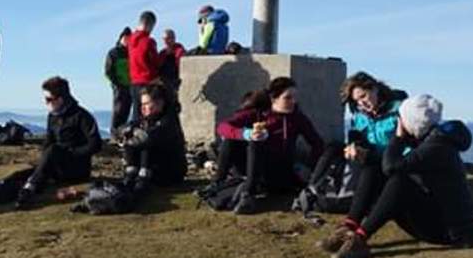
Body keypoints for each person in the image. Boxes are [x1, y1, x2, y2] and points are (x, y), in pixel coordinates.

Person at [327, 94, 473, 258]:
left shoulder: (436, 147)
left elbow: (391, 167)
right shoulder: (430, 140)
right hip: (437, 217)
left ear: (412, 121)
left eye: (401, 118)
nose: (398, 123)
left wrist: (399, 138)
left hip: (447, 231)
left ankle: (359, 239)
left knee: (400, 182)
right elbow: (387, 165)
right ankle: (349, 227)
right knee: (374, 169)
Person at [211, 77, 326, 214]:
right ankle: (217, 184)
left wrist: (311, 169)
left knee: (257, 142)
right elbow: (223, 127)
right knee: (232, 140)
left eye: (295, 97)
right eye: (288, 98)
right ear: (273, 99)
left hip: (279, 171)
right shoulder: (258, 114)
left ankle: (248, 194)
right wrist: (246, 134)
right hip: (253, 166)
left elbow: (317, 143)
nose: (293, 102)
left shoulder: (297, 118)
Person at [311, 72, 407, 234]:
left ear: (375, 89)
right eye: (357, 100)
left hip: (397, 162)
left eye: (363, 96)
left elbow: (408, 143)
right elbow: (356, 136)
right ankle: (315, 192)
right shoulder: (359, 115)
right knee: (336, 149)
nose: (361, 103)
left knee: (371, 167)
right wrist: (354, 147)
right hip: (372, 161)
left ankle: (353, 221)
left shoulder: (400, 110)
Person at [15, 77, 103, 209]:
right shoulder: (52, 116)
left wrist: (71, 153)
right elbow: (48, 140)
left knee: (53, 150)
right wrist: (44, 160)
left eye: (48, 99)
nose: (46, 103)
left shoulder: (82, 116)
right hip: (58, 165)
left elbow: (96, 144)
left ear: (60, 99)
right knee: (25, 174)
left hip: (77, 170)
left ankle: (29, 191)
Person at [119, 83, 187, 192]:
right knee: (135, 139)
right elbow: (123, 128)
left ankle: (142, 177)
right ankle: (131, 174)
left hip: (169, 171)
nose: (143, 108)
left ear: (160, 103)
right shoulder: (146, 119)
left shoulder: (168, 121)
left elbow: (149, 138)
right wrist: (128, 131)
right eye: (142, 104)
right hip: (152, 168)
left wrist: (132, 137)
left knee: (145, 143)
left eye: (147, 104)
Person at [126, 11, 161, 121]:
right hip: (148, 82)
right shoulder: (149, 42)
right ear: (150, 25)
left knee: (137, 113)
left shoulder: (130, 40)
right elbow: (155, 62)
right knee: (150, 114)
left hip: (134, 82)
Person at [104, 27, 132, 133]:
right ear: (120, 38)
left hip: (130, 85)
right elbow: (108, 71)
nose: (127, 40)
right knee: (118, 109)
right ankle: (114, 132)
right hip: (119, 86)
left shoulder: (131, 52)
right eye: (125, 38)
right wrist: (116, 83)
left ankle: (121, 132)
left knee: (127, 109)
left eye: (129, 38)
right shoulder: (113, 52)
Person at [158, 28, 187, 93]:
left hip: (175, 83)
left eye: (168, 38)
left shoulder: (180, 51)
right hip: (163, 85)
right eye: (164, 39)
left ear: (173, 39)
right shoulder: (162, 54)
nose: (165, 41)